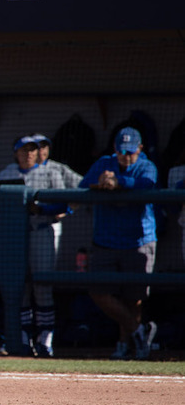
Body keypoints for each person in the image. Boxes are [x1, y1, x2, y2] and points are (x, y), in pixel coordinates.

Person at [78, 127, 158, 360]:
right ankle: (139, 332)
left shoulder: (146, 165)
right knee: (99, 292)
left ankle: (126, 345)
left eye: (131, 151)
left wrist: (119, 181)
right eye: (122, 151)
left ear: (140, 149)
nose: (126, 156)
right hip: (105, 241)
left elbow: (148, 184)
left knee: (133, 299)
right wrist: (102, 181)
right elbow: (83, 187)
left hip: (138, 241)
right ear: (115, 149)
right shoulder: (104, 163)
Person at [0, 135, 69, 357]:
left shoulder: (51, 173)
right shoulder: (6, 173)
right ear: (16, 152)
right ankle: (22, 339)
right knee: (20, 289)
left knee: (43, 287)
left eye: (32, 149)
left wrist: (42, 209)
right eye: (24, 149)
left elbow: (64, 203)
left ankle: (45, 341)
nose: (28, 153)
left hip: (41, 231)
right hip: (14, 238)